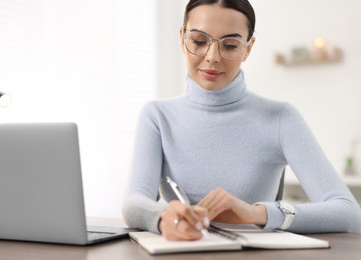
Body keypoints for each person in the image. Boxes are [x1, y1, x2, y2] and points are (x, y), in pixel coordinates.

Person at [122, 0, 361, 241]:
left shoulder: (281, 118)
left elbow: (349, 213)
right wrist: (164, 218)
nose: (212, 57)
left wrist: (257, 213)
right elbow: (134, 203)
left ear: (248, 48)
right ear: (182, 39)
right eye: (199, 41)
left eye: (230, 45)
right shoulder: (157, 116)